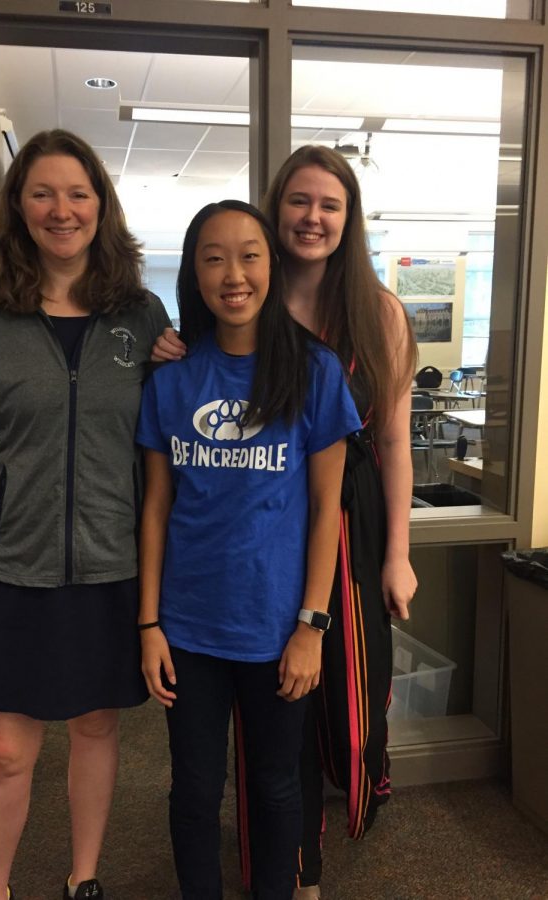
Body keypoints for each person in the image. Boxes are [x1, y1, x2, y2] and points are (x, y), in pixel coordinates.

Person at [152, 146, 418, 899]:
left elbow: (393, 442)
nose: (313, 218)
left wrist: (397, 553)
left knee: (345, 711)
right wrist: (171, 347)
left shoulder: (379, 311)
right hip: (266, 523)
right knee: (275, 717)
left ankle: (340, 821)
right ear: (277, 213)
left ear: (348, 219)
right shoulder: (246, 307)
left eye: (330, 205)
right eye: (299, 202)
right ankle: (297, 872)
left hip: (350, 524)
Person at [0, 129, 170, 900]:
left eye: (77, 193)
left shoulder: (139, 314)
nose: (60, 209)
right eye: (43, 193)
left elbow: (165, 442)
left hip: (110, 564)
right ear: (18, 208)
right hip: (13, 569)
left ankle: (84, 878)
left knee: (98, 728)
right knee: (3, 749)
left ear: (101, 206)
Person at [136, 199, 362, 900]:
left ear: (270, 264)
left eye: (249, 254)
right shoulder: (171, 381)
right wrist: (147, 625)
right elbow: (155, 509)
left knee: (272, 787)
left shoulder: (315, 372)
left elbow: (328, 509)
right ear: (193, 273)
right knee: (195, 792)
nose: (232, 273)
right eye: (212, 256)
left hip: (276, 629)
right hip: (189, 629)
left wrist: (311, 627)